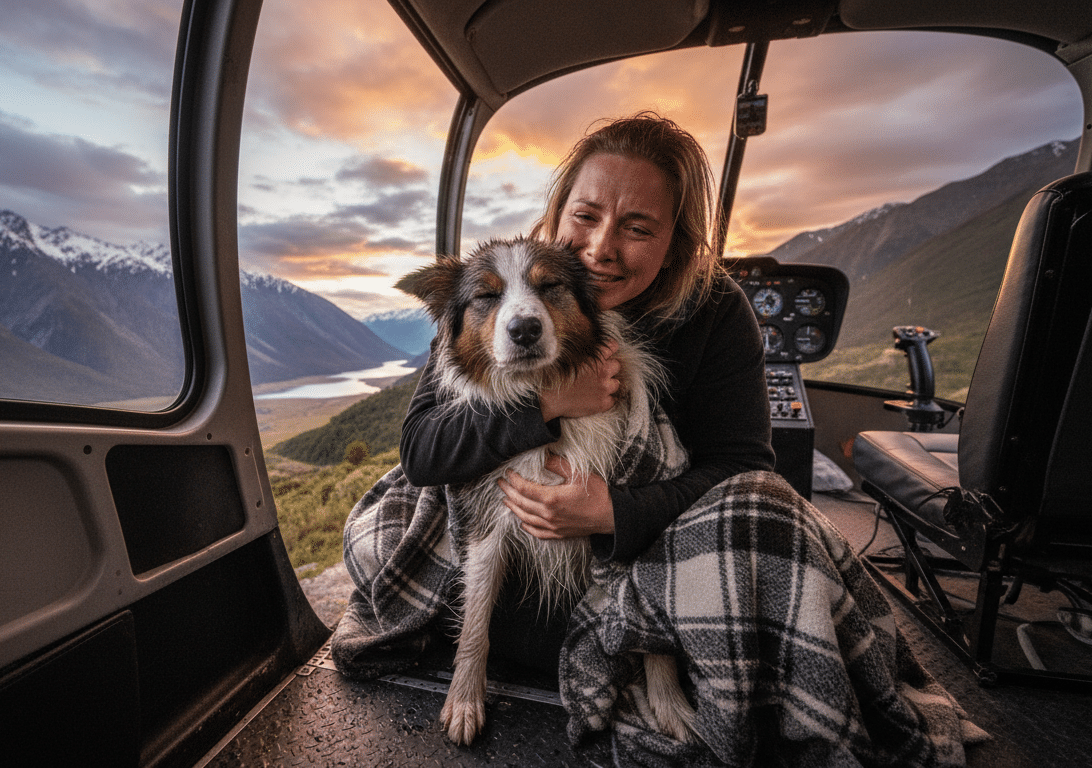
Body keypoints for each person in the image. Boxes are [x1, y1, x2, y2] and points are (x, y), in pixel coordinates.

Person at [333, 112, 985, 767]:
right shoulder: (499, 282)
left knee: (767, 513)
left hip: (647, 539)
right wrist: (550, 403)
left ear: (676, 242)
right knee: (393, 517)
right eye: (585, 215)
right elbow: (422, 450)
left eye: (638, 227)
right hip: (511, 548)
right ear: (558, 210)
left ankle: (636, 647)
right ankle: (613, 644)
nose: (600, 249)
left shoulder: (717, 309)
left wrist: (612, 513)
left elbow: (743, 468)